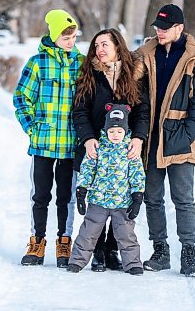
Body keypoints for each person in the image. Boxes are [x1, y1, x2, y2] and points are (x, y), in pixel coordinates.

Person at [137, 4, 195, 277]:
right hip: (151, 139)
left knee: (183, 199)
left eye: (165, 28)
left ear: (180, 28)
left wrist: (185, 136)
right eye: (157, 27)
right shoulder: (145, 56)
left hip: (181, 140)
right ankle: (160, 251)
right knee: (152, 198)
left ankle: (189, 254)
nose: (159, 31)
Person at [72, 28, 149, 271]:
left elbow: (142, 111)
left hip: (125, 148)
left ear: (118, 46)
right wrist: (87, 139)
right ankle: (97, 251)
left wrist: (138, 138)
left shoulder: (134, 74)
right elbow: (80, 110)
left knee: (120, 201)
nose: (100, 50)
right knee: (97, 204)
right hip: (96, 147)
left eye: (104, 44)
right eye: (96, 46)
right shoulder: (90, 74)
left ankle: (112, 250)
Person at [13, 9, 84, 267]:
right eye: (66, 37)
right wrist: (31, 127)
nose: (71, 42)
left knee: (66, 196)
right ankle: (37, 242)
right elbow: (22, 97)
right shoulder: (38, 62)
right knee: (41, 195)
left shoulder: (81, 63)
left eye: (74, 37)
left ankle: (64, 242)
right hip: (42, 143)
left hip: (70, 144)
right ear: (54, 36)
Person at [67, 104, 145, 275]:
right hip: (98, 201)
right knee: (88, 233)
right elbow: (87, 169)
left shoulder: (130, 150)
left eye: (119, 132)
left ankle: (132, 263)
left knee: (126, 235)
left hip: (122, 202)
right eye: (111, 131)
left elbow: (137, 174)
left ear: (125, 131)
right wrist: (81, 191)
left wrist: (138, 196)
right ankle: (77, 261)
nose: (115, 135)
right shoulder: (97, 148)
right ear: (106, 130)